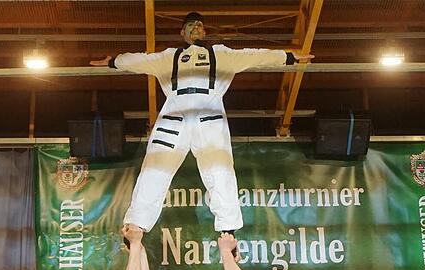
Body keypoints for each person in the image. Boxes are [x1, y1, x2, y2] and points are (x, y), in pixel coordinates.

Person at [91, 12, 313, 236]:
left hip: (210, 115)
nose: (196, 28)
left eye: (199, 25)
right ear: (182, 32)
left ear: (205, 31)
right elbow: (139, 60)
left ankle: (228, 228)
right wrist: (113, 62)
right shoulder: (169, 57)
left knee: (220, 168)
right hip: (174, 114)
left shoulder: (220, 54)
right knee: (155, 166)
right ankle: (136, 224)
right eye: (190, 25)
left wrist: (287, 56)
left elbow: (254, 56)